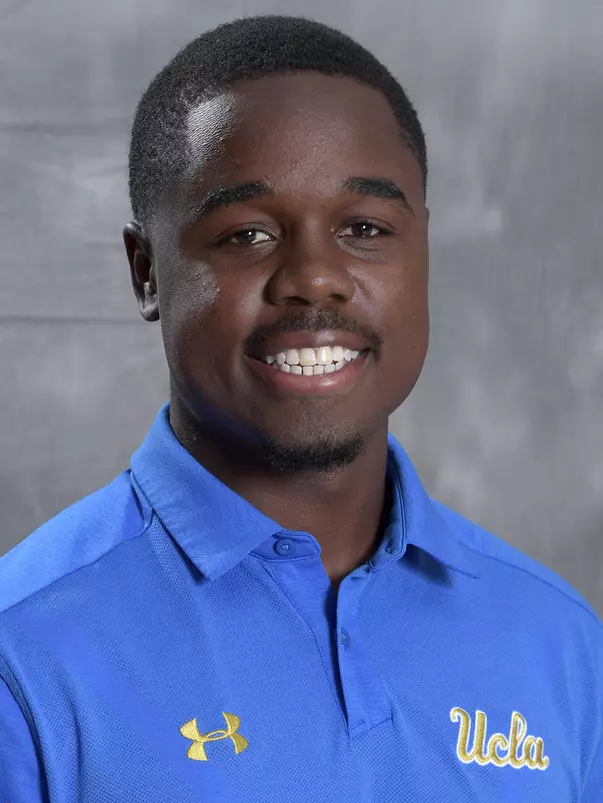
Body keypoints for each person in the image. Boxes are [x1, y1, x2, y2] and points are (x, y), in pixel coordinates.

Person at [0, 14, 601, 802]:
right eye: (246, 233)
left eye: (364, 228)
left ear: (421, 250)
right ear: (147, 272)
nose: (315, 277)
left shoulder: (557, 638)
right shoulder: (24, 652)